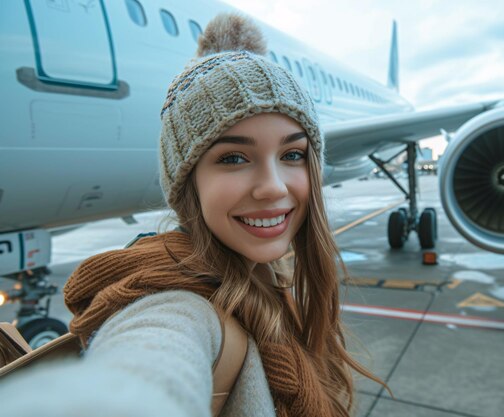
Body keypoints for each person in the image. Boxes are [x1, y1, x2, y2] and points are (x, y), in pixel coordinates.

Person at [0, 13, 386, 417]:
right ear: (188, 183)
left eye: (293, 154)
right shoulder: (175, 307)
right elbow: (151, 361)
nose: (273, 186)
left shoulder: (262, 281)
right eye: (234, 157)